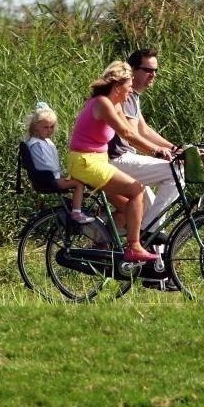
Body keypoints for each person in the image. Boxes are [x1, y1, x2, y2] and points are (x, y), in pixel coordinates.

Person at [68, 61, 172, 264]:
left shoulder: (113, 104)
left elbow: (133, 132)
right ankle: (134, 247)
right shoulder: (102, 103)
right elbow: (125, 134)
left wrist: (166, 149)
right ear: (117, 86)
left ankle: (100, 246)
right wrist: (156, 151)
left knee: (130, 209)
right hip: (86, 162)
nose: (131, 89)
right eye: (129, 84)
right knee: (137, 191)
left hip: (97, 161)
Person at [108, 48, 181, 234]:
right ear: (132, 70)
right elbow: (131, 134)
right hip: (118, 159)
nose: (153, 75)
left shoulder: (133, 96)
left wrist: (175, 148)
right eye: (148, 70)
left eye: (155, 71)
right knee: (176, 172)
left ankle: (153, 259)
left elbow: (144, 130)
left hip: (121, 159)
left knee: (148, 209)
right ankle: (148, 233)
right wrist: (158, 151)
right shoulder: (127, 95)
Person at [24, 102, 94, 224]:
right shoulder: (37, 144)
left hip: (52, 177)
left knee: (81, 179)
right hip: (50, 179)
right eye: (45, 127)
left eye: (51, 127)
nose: (49, 130)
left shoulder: (43, 141)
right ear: (35, 126)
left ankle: (77, 207)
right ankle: (76, 212)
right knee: (79, 184)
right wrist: (62, 176)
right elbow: (45, 165)